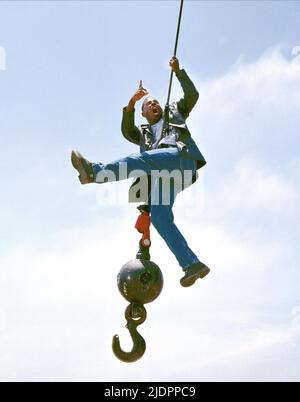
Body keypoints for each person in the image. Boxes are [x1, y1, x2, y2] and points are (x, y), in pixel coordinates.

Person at [71, 57, 211, 287]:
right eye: (149, 105)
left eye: (156, 102)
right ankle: (191, 264)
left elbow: (192, 95)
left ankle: (94, 173)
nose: (154, 105)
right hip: (166, 176)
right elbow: (127, 130)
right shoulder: (143, 134)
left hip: (182, 160)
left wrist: (178, 72)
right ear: (144, 113)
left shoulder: (174, 112)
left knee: (143, 160)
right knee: (160, 219)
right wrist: (132, 103)